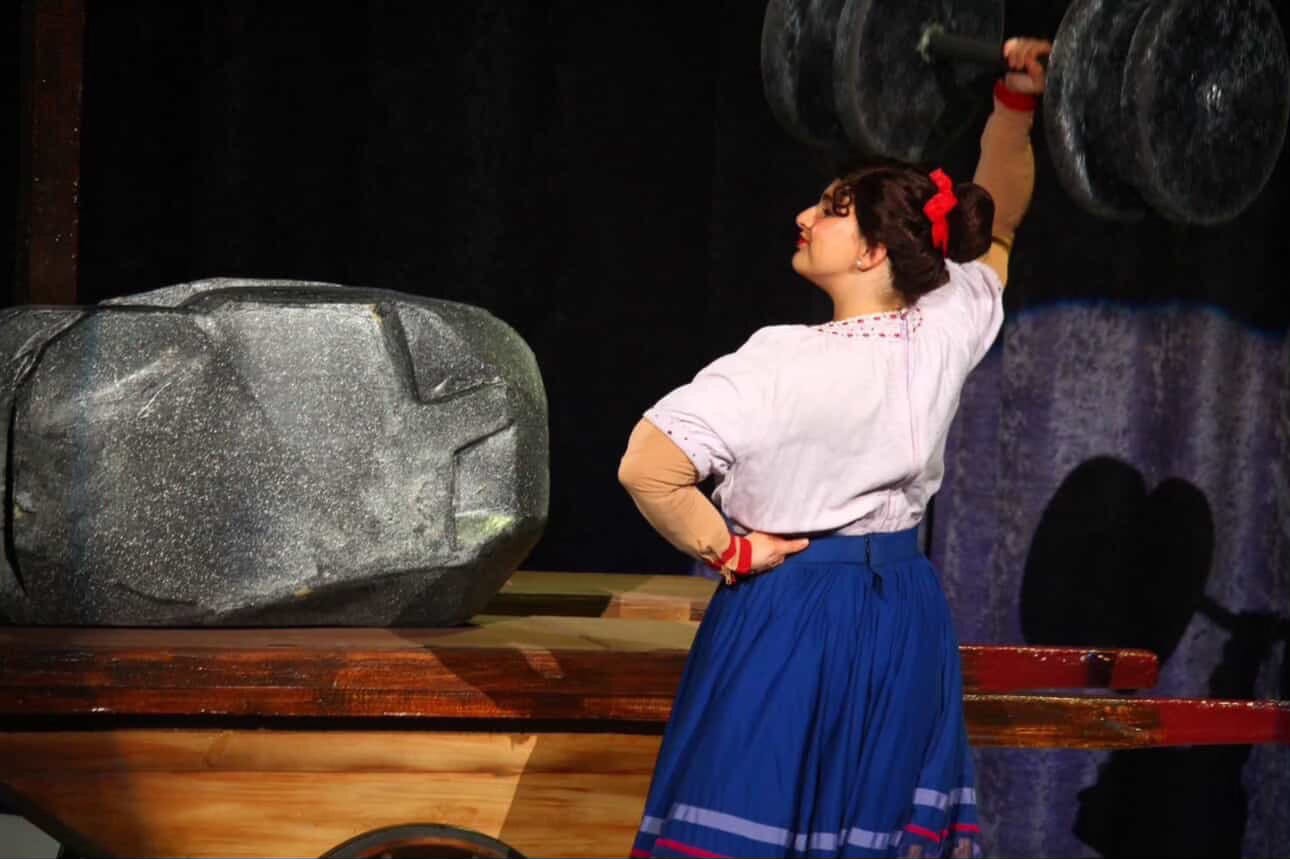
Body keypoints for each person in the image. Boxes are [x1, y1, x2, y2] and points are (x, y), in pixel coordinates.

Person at [616, 38, 1051, 859]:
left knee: (757, 810)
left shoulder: (777, 360)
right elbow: (1001, 215)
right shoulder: (946, 323)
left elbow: (647, 464)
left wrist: (729, 550)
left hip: (790, 610)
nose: (805, 217)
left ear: (874, 250)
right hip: (904, 615)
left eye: (831, 209)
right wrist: (1016, 104)